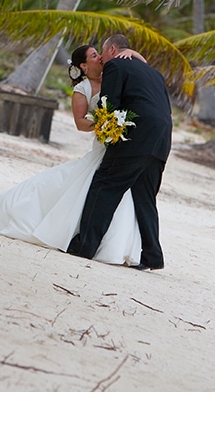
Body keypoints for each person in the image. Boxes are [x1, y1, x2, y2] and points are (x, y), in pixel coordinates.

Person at [0, 43, 147, 265]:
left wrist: (132, 53)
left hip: (119, 142)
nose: (100, 57)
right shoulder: (82, 89)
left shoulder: (114, 74)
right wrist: (104, 122)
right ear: (83, 65)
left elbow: (144, 71)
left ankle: (115, 244)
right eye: (94, 55)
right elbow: (81, 123)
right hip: (104, 139)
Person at [67, 34, 173, 270]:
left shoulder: (114, 64)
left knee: (104, 186)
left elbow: (109, 102)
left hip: (135, 137)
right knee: (145, 198)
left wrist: (109, 129)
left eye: (102, 54)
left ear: (112, 50)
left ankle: (85, 246)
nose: (102, 59)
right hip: (162, 139)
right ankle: (152, 256)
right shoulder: (154, 73)